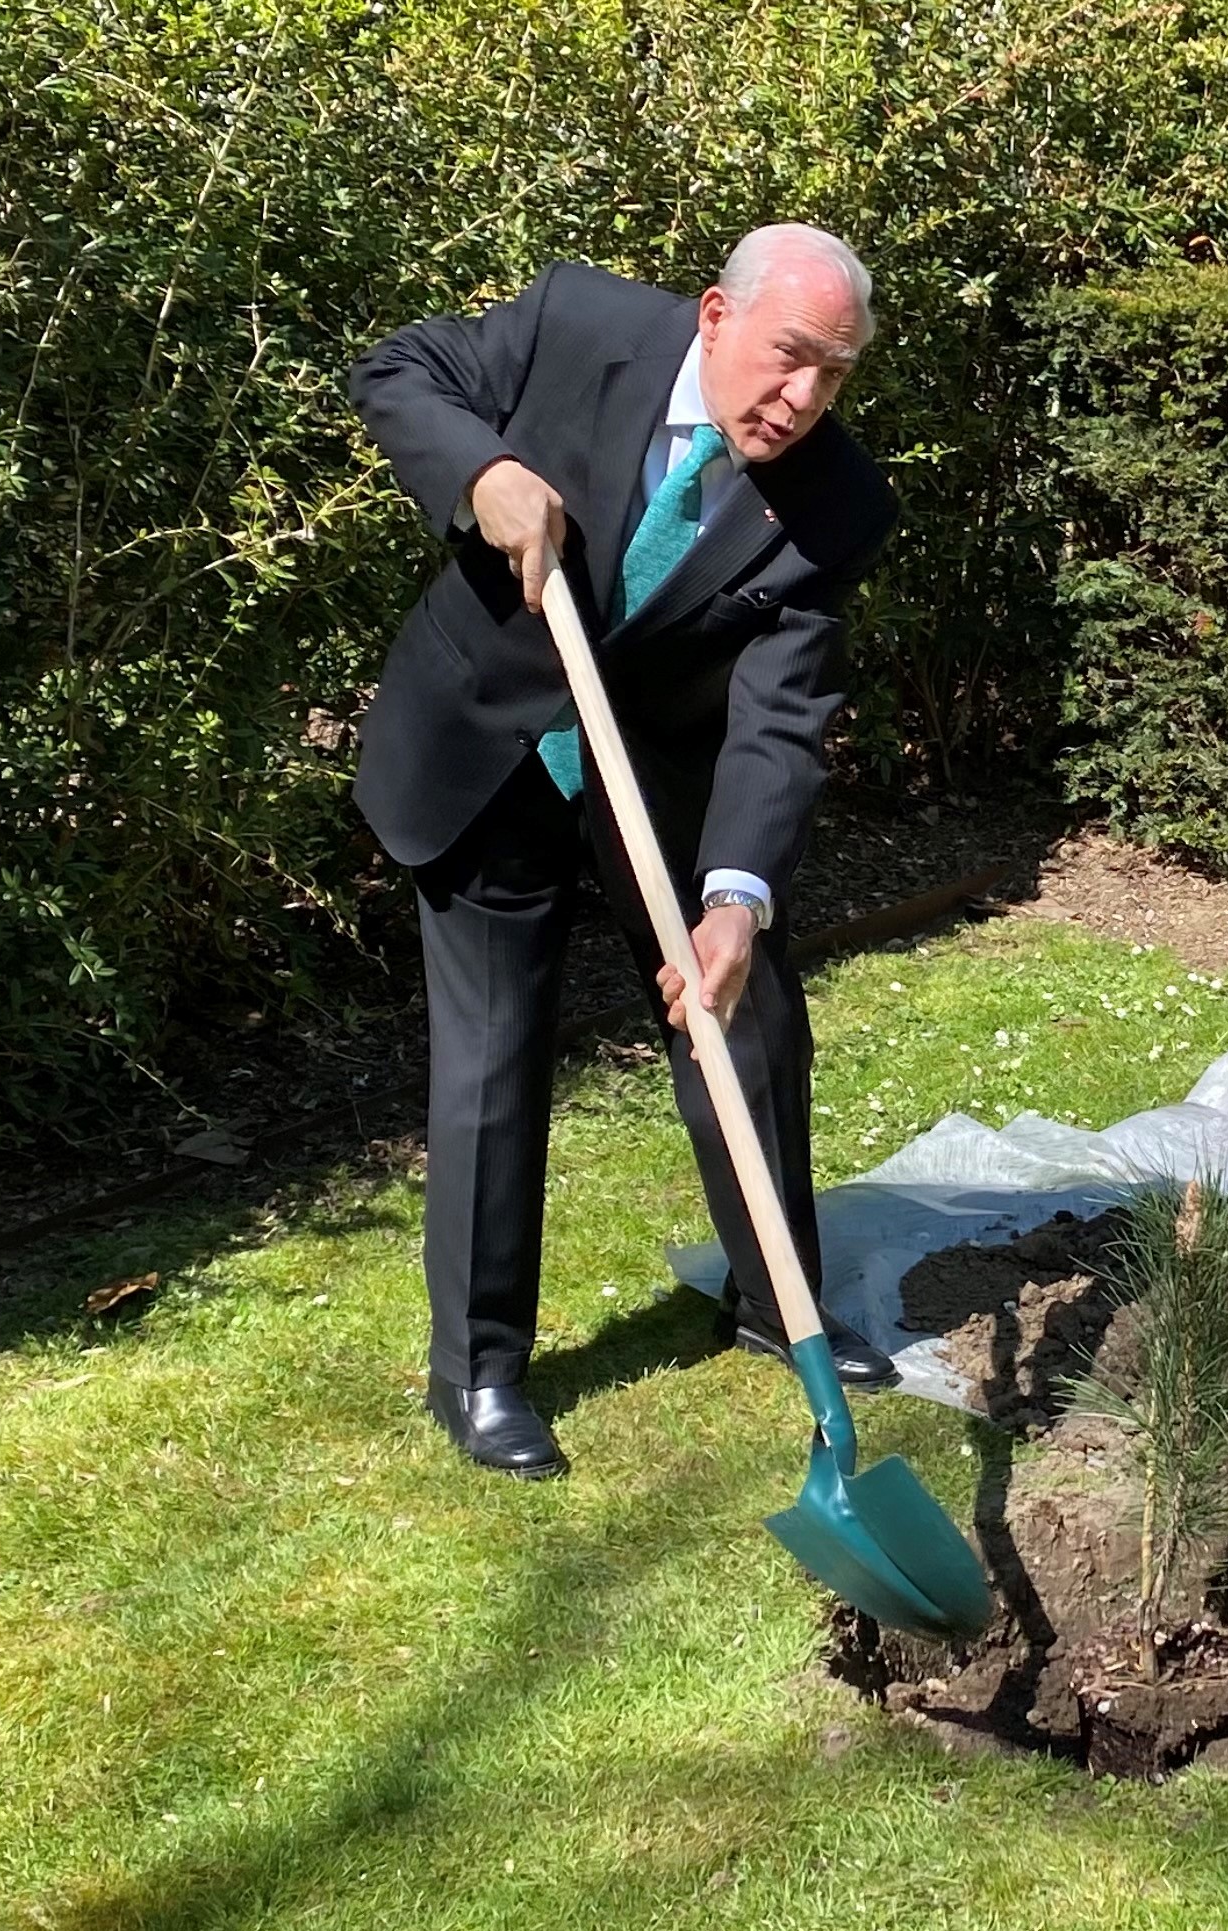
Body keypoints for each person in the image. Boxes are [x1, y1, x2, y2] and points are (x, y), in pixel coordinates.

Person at [350, 224, 902, 1479]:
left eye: (835, 374)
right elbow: (397, 371)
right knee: (495, 1051)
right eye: (787, 356)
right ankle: (482, 1371)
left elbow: (780, 717)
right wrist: (484, 470)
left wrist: (736, 901)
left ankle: (781, 1305)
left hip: (658, 776)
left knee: (744, 1018)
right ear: (715, 317)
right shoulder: (577, 323)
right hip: (485, 747)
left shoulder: (837, 506)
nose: (802, 398)